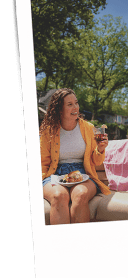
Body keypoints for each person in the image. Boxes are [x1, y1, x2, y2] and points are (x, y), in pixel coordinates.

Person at [40, 88, 110, 224]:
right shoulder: (48, 130)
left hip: (83, 173)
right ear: (59, 109)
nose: (75, 107)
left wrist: (100, 149)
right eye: (69, 104)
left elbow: (96, 161)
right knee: (59, 195)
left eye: (76, 103)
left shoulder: (88, 128)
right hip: (55, 174)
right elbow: (43, 162)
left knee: (81, 194)